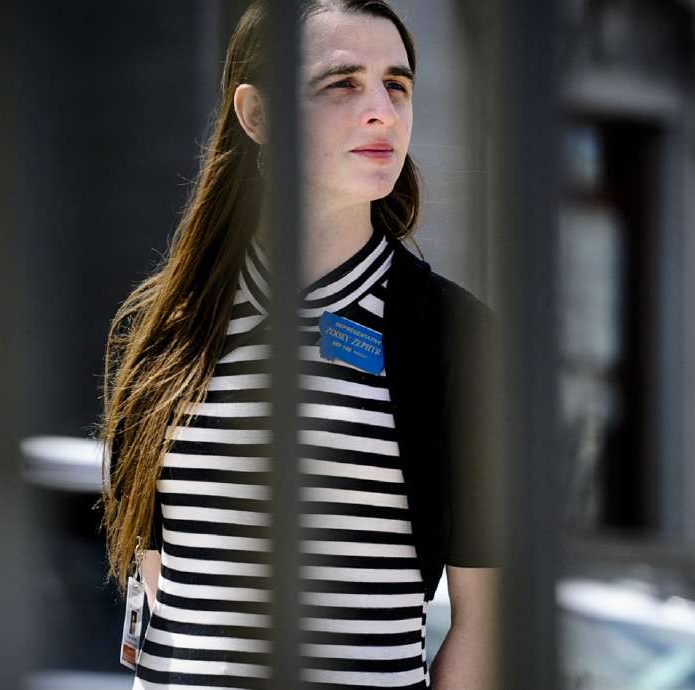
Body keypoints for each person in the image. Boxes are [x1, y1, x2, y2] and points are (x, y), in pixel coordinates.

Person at [98, 2, 500, 688]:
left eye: (396, 85)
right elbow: (157, 593)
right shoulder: (165, 326)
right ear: (256, 116)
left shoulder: (453, 336)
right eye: (342, 83)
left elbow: (489, 620)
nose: (382, 110)